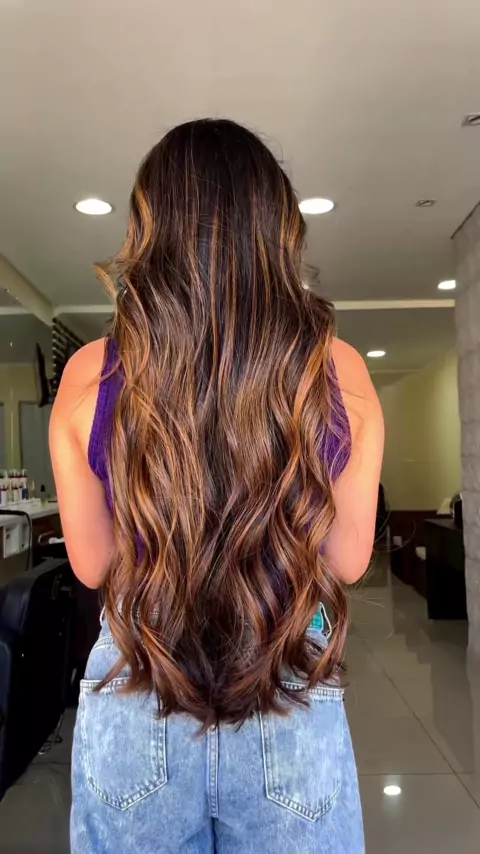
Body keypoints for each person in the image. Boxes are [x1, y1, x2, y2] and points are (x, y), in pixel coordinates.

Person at [50, 119, 384, 854]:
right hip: (282, 675)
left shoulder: (90, 374)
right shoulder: (337, 369)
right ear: (276, 231)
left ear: (151, 231)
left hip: (142, 675)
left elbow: (94, 566)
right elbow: (348, 557)